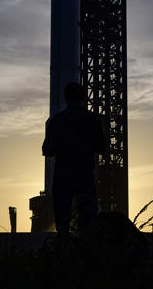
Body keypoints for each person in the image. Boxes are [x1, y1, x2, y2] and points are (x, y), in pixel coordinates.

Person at [42, 82, 107, 234]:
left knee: (63, 221)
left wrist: (64, 145)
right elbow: (101, 147)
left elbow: (47, 150)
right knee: (88, 221)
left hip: (63, 176)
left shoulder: (57, 120)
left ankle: (64, 252)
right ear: (84, 98)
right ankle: (85, 252)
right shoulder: (92, 120)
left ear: (66, 98)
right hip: (85, 176)